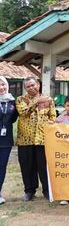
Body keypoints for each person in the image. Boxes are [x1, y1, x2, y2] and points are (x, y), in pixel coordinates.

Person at [16, 77, 56, 201]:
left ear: (38, 85)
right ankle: (29, 191)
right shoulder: (20, 99)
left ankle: (47, 191)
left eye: (33, 85)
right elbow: (23, 112)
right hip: (25, 139)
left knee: (43, 166)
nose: (31, 88)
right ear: (25, 88)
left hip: (42, 139)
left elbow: (53, 116)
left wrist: (50, 122)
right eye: (28, 86)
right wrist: (37, 101)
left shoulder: (48, 100)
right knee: (27, 166)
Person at [0, 76, 18, 204]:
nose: (1, 87)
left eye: (3, 85)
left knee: (2, 167)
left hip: (6, 140)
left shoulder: (13, 102)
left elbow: (14, 119)